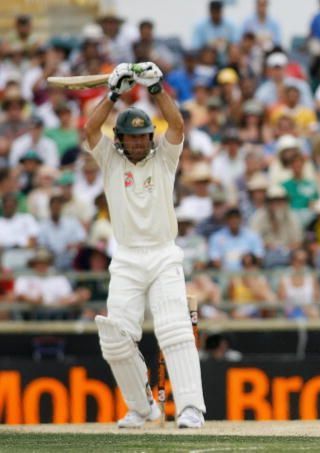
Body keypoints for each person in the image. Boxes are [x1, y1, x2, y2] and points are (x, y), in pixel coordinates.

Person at [83, 62, 205, 429]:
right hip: (126, 258)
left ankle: (190, 409)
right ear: (119, 139)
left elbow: (178, 125)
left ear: (150, 137)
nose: (137, 142)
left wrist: (155, 89)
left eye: (142, 136)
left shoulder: (165, 159)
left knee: (175, 330)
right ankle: (142, 407)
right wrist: (114, 94)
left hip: (164, 254)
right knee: (114, 338)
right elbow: (91, 128)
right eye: (131, 137)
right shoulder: (109, 160)